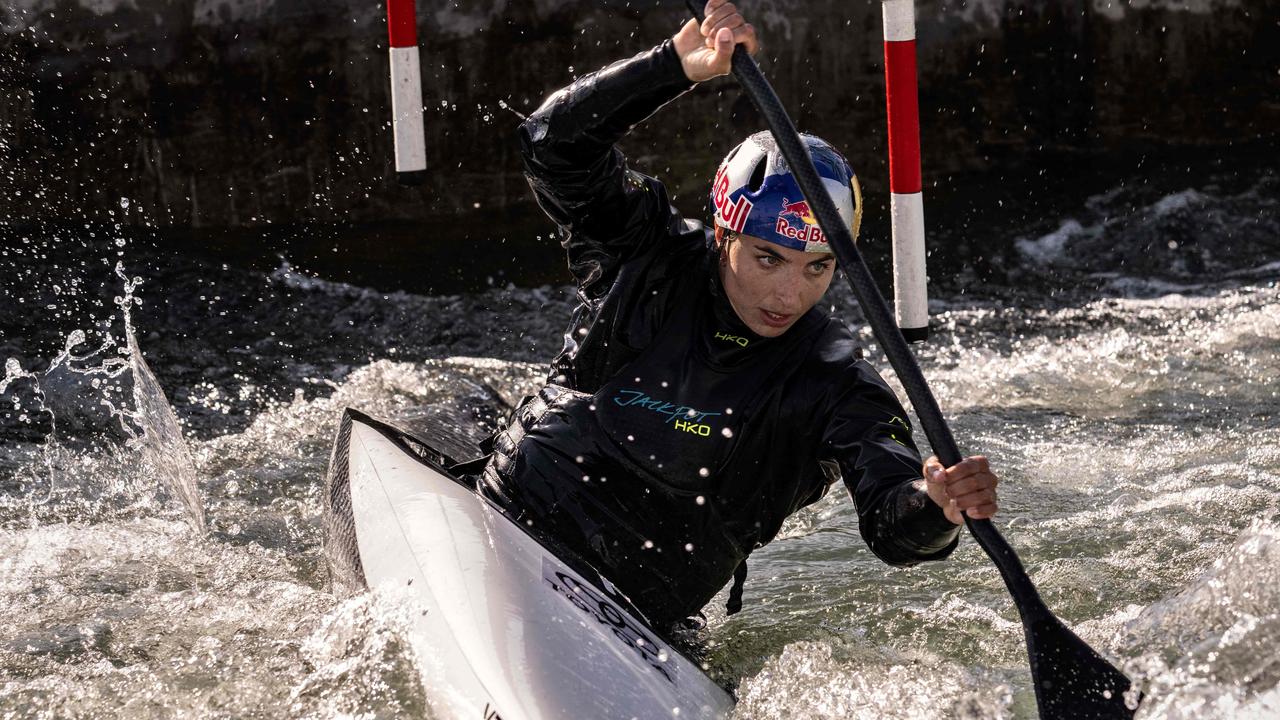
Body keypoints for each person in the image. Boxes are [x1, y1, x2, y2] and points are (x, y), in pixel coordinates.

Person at [480, 0, 999, 630]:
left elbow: (891, 524)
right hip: (508, 523)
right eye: (767, 258)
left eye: (818, 267)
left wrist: (935, 505)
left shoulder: (834, 381)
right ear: (725, 233)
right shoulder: (645, 254)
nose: (789, 294)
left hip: (642, 620)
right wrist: (672, 66)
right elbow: (551, 144)